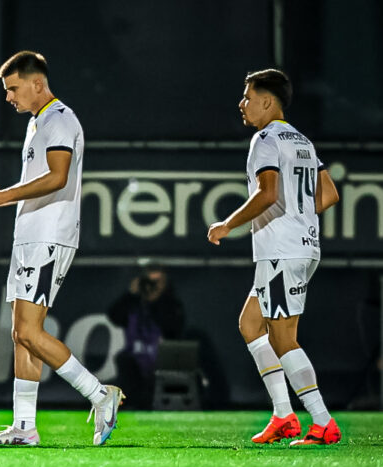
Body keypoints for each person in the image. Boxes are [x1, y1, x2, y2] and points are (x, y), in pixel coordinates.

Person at [0, 50, 123, 446]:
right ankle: (25, 427)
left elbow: (58, 178)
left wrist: (2, 197)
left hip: (50, 236)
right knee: (20, 334)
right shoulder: (38, 122)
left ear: (36, 83)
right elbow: (38, 180)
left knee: (29, 331)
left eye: (13, 88)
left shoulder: (60, 118)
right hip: (31, 234)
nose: (9, 97)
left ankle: (101, 395)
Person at [207, 68, 342, 446]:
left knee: (283, 338)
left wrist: (227, 224)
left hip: (282, 250)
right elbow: (329, 194)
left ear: (268, 101)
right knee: (251, 324)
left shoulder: (264, 140)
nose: (242, 104)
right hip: (301, 245)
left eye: (248, 96)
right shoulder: (301, 140)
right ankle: (284, 415)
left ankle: (322, 422)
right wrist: (300, 213)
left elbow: (267, 193)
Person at [106, 266, 186, 407]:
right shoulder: (134, 304)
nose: (152, 285)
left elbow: (174, 327)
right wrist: (131, 293)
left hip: (162, 360)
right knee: (124, 360)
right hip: (136, 359)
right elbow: (114, 315)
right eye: (150, 281)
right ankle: (129, 406)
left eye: (157, 281)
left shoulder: (172, 305)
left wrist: (156, 300)